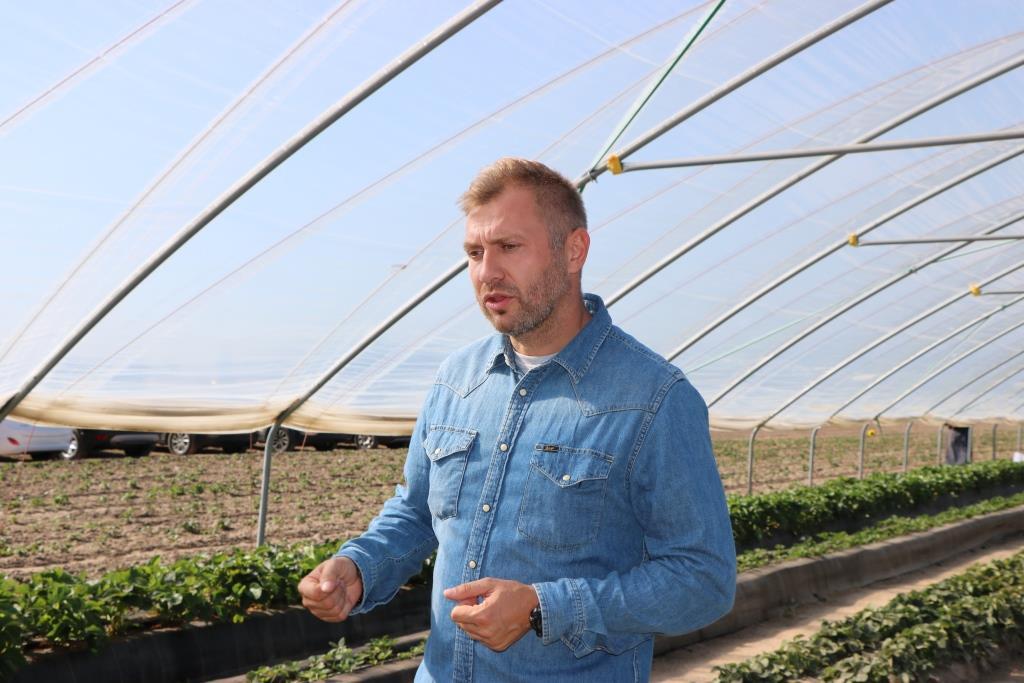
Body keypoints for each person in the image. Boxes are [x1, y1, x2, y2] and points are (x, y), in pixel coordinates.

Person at [299, 158, 736, 682]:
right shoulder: (457, 380)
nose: (487, 272)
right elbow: (417, 513)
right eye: (474, 253)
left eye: (508, 247)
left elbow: (702, 580)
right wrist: (360, 567)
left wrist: (543, 607)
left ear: (574, 250)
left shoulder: (653, 397)